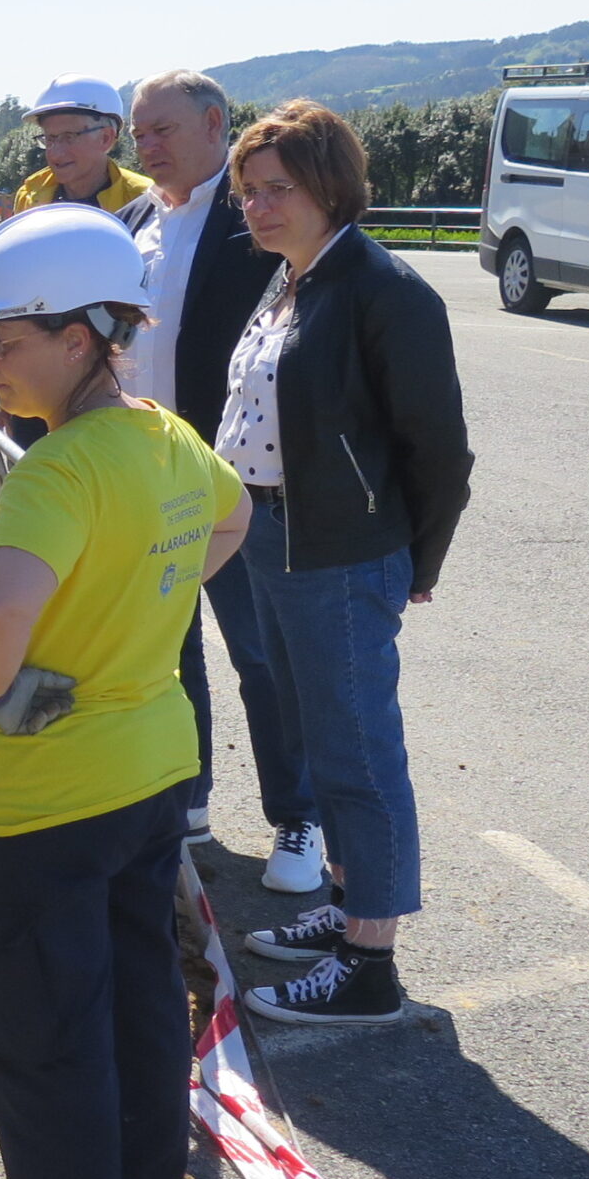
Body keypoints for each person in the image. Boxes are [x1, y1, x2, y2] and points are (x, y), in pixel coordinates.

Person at [0, 206, 251, 1179]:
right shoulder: (158, 437)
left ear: (86, 333)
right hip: (143, 775)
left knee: (43, 1040)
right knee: (135, 1004)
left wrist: (8, 690)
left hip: (35, 807)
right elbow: (232, 518)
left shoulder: (60, 469)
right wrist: (128, 627)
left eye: (4, 336)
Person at [220, 104, 473, 1026]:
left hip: (339, 554)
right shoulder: (293, 280)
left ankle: (369, 965)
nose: (257, 206)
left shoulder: (383, 290)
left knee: (360, 757)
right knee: (321, 747)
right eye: (249, 191)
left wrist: (417, 558)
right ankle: (343, 910)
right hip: (272, 543)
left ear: (332, 185)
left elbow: (440, 452)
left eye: (277, 188)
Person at [120, 69, 317, 885]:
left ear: (213, 125)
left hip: (231, 483)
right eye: (138, 134)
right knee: (170, 649)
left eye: (160, 131)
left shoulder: (255, 222)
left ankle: (299, 820)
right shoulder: (135, 219)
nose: (145, 148)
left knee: (263, 656)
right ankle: (187, 796)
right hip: (143, 476)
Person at [10, 76, 154, 214]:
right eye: (50, 139)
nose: (56, 153)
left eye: (69, 137)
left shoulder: (149, 201)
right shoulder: (29, 197)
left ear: (105, 138)